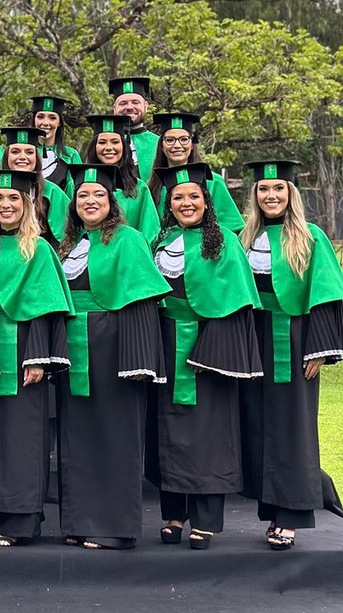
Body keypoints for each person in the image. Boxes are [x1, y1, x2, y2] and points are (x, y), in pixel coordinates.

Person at [145, 163, 262, 550]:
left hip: (209, 347)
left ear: (206, 201)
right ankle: (174, 513)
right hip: (164, 343)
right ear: (169, 204)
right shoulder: (162, 241)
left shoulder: (224, 242)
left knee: (208, 432)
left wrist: (213, 347)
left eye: (193, 196)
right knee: (167, 429)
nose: (185, 202)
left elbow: (237, 300)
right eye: (178, 197)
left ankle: (207, 519)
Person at [56, 164, 170, 550]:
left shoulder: (128, 239)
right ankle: (80, 521)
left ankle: (116, 528)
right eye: (83, 196)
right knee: (77, 437)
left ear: (112, 201)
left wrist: (138, 361)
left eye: (98, 195)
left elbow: (140, 301)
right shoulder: (67, 244)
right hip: (74, 351)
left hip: (114, 349)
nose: (90, 201)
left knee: (116, 435)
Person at [239, 160, 343, 551]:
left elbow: (328, 294)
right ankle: (272, 510)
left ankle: (292, 516)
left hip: (293, 338)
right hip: (252, 337)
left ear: (291, 194)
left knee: (292, 426)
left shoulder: (310, 236)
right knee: (257, 423)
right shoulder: (244, 238)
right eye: (264, 189)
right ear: (255, 195)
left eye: (278, 189)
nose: (270, 195)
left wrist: (319, 346)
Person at [0, 169, 73, 546]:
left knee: (24, 436)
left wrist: (37, 358)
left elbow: (45, 307)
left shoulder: (39, 248)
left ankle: (25, 521)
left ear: (27, 204)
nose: (6, 205)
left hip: (22, 349)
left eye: (14, 199)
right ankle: (4, 516)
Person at [145, 112, 244, 232]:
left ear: (192, 144)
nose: (177, 145)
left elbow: (232, 226)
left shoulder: (213, 182)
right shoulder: (152, 186)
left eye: (184, 139)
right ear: (161, 145)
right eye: (170, 140)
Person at [83, 114, 160, 243]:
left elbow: (150, 232)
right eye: (102, 142)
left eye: (115, 142)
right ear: (94, 147)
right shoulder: (81, 185)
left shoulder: (138, 188)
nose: (109, 148)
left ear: (124, 147)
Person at [0, 125, 72, 245]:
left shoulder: (52, 192)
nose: (22, 157)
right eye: (15, 151)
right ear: (7, 156)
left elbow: (65, 238)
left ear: (36, 158)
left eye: (29, 152)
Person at [29, 95, 82, 197]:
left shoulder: (70, 155)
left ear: (59, 123)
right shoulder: (22, 153)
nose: (45, 123)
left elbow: (75, 193)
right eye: (40, 117)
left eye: (52, 118)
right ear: (34, 120)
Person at [109, 77, 159, 182]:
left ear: (146, 106)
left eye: (135, 102)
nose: (129, 107)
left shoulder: (160, 143)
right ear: (114, 109)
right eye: (123, 103)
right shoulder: (103, 145)